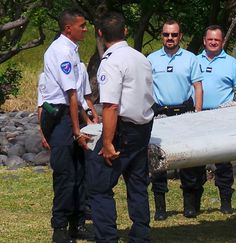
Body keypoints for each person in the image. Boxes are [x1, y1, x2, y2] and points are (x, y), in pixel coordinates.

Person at [86, 11, 154, 242]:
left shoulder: (111, 62)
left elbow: (111, 106)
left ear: (100, 34)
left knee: (98, 185)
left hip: (122, 131)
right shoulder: (141, 58)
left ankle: (106, 237)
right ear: (125, 31)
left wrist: (106, 142)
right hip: (143, 127)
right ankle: (141, 234)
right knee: (136, 183)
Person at [39, 8, 93, 243]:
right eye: (82, 25)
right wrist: (75, 130)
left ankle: (77, 223)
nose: (85, 29)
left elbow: (79, 97)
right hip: (60, 116)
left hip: (71, 113)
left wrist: (87, 119)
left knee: (80, 171)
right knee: (65, 173)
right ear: (68, 28)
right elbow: (70, 95)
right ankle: (59, 227)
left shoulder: (73, 50)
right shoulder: (61, 51)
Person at [147, 20, 203, 219]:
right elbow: (145, 88)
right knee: (158, 162)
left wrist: (198, 112)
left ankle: (189, 206)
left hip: (185, 113)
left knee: (187, 161)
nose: (169, 38)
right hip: (160, 114)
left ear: (180, 36)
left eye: (174, 35)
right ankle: (161, 209)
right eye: (166, 34)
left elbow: (197, 86)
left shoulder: (190, 59)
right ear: (162, 35)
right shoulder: (151, 59)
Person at [197, 25, 236, 214]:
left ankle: (226, 202)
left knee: (223, 163)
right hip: (199, 116)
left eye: (216, 40)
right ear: (204, 40)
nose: (212, 42)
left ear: (222, 41)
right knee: (196, 161)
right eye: (210, 39)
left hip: (222, 116)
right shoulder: (194, 61)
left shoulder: (231, 63)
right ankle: (193, 204)